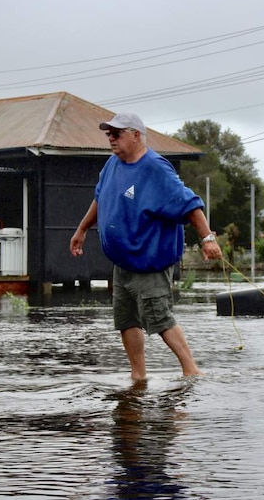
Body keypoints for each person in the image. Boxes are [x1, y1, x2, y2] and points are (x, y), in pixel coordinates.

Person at [70, 112, 223, 381]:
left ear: (136, 135)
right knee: (126, 320)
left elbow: (190, 204)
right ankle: (138, 376)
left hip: (149, 260)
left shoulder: (155, 167)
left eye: (117, 134)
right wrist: (82, 229)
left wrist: (208, 238)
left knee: (159, 318)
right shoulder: (112, 165)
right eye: (109, 135)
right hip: (123, 262)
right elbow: (99, 198)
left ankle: (191, 370)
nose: (111, 139)